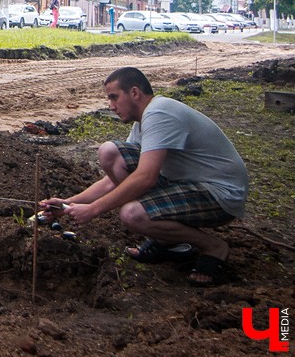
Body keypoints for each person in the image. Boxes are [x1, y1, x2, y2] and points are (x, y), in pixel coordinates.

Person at [40, 67, 248, 287]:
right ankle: (169, 242)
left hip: (220, 194)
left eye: (114, 97)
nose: (111, 106)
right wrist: (67, 204)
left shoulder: (159, 113)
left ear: (135, 93)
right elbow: (113, 180)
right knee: (111, 153)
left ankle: (213, 247)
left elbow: (146, 178)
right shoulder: (143, 121)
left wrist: (93, 210)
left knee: (132, 214)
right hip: (188, 185)